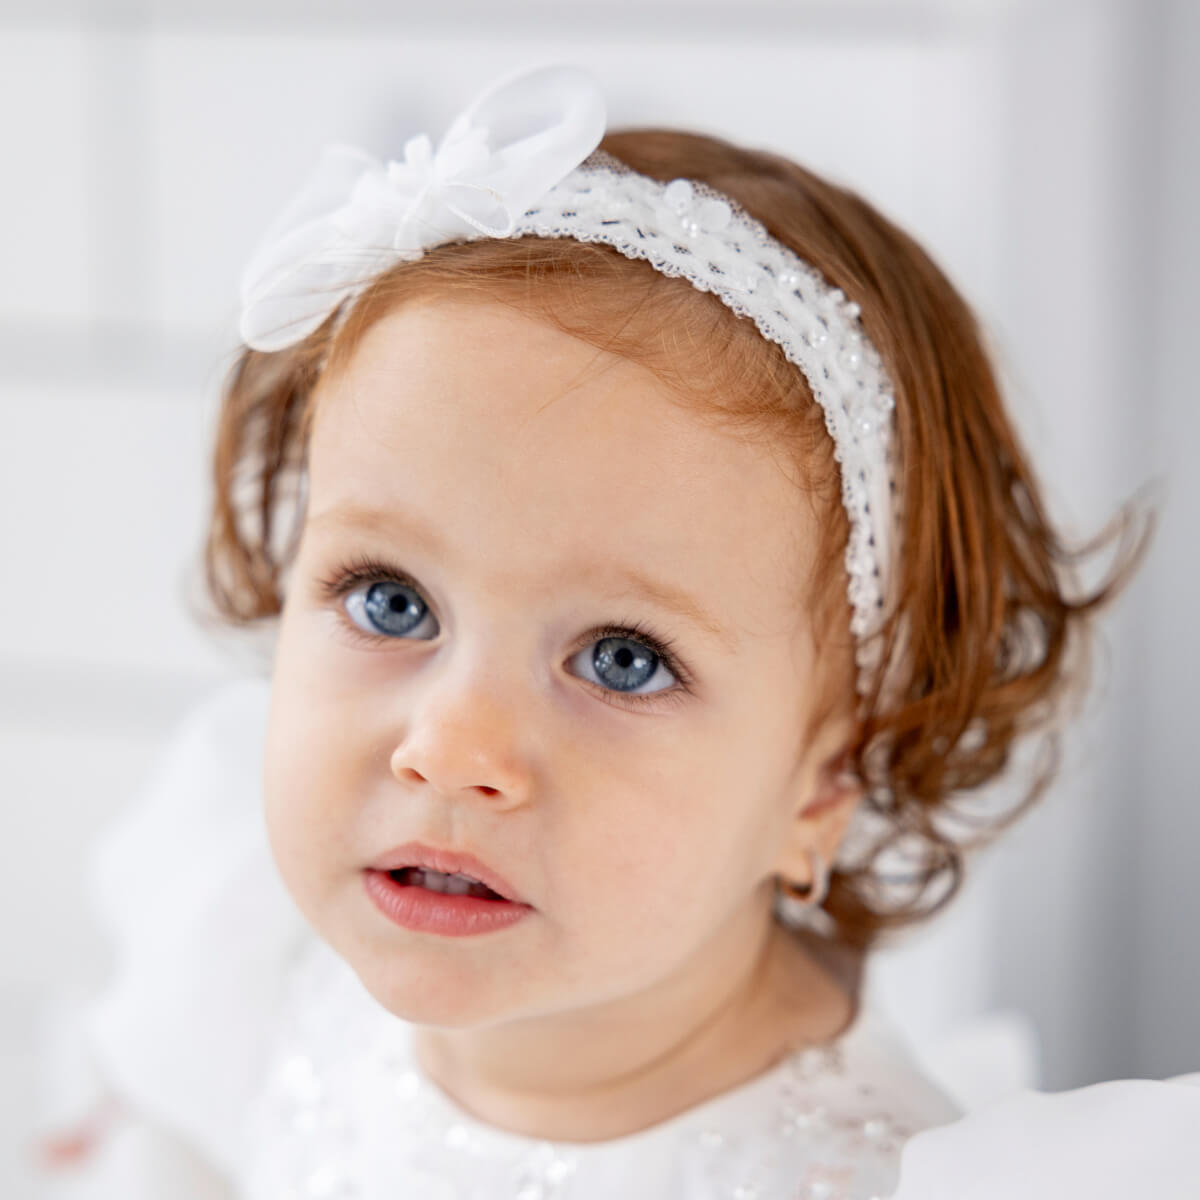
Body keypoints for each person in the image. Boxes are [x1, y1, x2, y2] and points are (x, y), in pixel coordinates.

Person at [30, 62, 1198, 1200]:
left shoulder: (856, 1178)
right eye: (392, 600)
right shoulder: (265, 970)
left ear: (825, 777)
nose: (449, 748)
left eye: (622, 660)